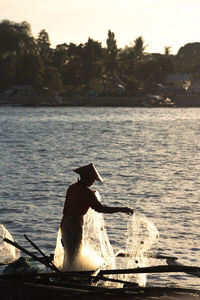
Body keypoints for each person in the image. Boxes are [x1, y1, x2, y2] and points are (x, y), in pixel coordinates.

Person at [60, 163, 134, 270]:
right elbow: (101, 209)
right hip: (74, 225)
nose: (93, 182)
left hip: (65, 223)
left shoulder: (71, 188)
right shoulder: (87, 193)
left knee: (68, 252)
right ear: (87, 178)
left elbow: (76, 201)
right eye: (92, 180)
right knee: (75, 252)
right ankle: (70, 275)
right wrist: (121, 209)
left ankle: (66, 272)